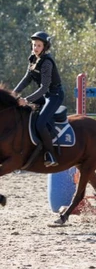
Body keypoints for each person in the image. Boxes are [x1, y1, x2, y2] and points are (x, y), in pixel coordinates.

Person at [13, 31, 64, 167]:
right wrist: (14, 93)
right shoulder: (33, 58)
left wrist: (26, 100)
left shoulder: (47, 62)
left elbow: (44, 87)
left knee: (40, 123)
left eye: (39, 46)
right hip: (45, 95)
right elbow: (27, 78)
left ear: (45, 47)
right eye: (34, 45)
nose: (35, 48)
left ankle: (51, 155)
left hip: (54, 95)